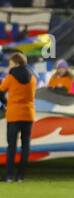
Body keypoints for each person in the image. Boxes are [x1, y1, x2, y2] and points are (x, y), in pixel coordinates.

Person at [1, 52, 38, 182]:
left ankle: (9, 176)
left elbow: (1, 91)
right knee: (26, 146)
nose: (9, 66)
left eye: (10, 63)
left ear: (16, 63)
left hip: (14, 114)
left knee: (11, 146)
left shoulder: (10, 77)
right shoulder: (33, 77)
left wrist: (5, 103)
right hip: (28, 114)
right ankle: (21, 176)